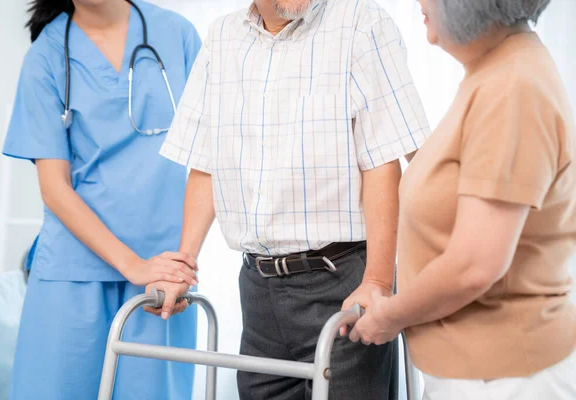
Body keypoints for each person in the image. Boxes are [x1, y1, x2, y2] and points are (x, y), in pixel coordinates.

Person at [147, 0, 431, 398]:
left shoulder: (361, 25)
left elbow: (382, 160)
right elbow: (205, 161)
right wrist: (183, 263)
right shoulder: (222, 38)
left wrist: (379, 281)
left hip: (342, 284)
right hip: (259, 290)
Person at [349, 1, 576, 399]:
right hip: (478, 373)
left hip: (503, 378)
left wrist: (390, 316)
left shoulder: (513, 88)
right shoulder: (494, 74)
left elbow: (476, 264)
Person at [2, 0, 201, 398]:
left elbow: (210, 159)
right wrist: (133, 265)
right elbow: (54, 187)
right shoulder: (46, 55)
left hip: (161, 276)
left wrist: (180, 264)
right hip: (72, 272)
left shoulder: (178, 35)